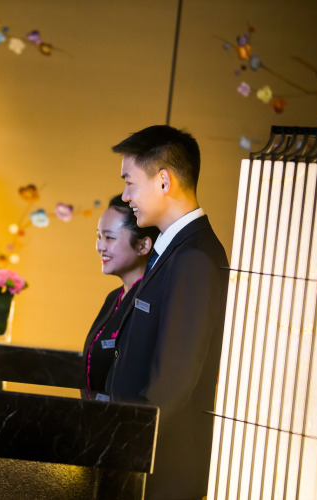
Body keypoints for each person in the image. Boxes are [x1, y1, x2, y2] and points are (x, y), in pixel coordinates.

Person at [105, 125, 229, 500]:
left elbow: (173, 380)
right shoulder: (173, 249)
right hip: (145, 457)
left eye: (130, 182)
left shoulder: (194, 256)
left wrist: (128, 447)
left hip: (163, 467)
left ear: (163, 180)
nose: (126, 196)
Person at [83, 195, 159, 397]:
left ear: (143, 245)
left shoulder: (150, 303)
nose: (100, 246)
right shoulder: (114, 298)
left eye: (109, 237)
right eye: (99, 236)